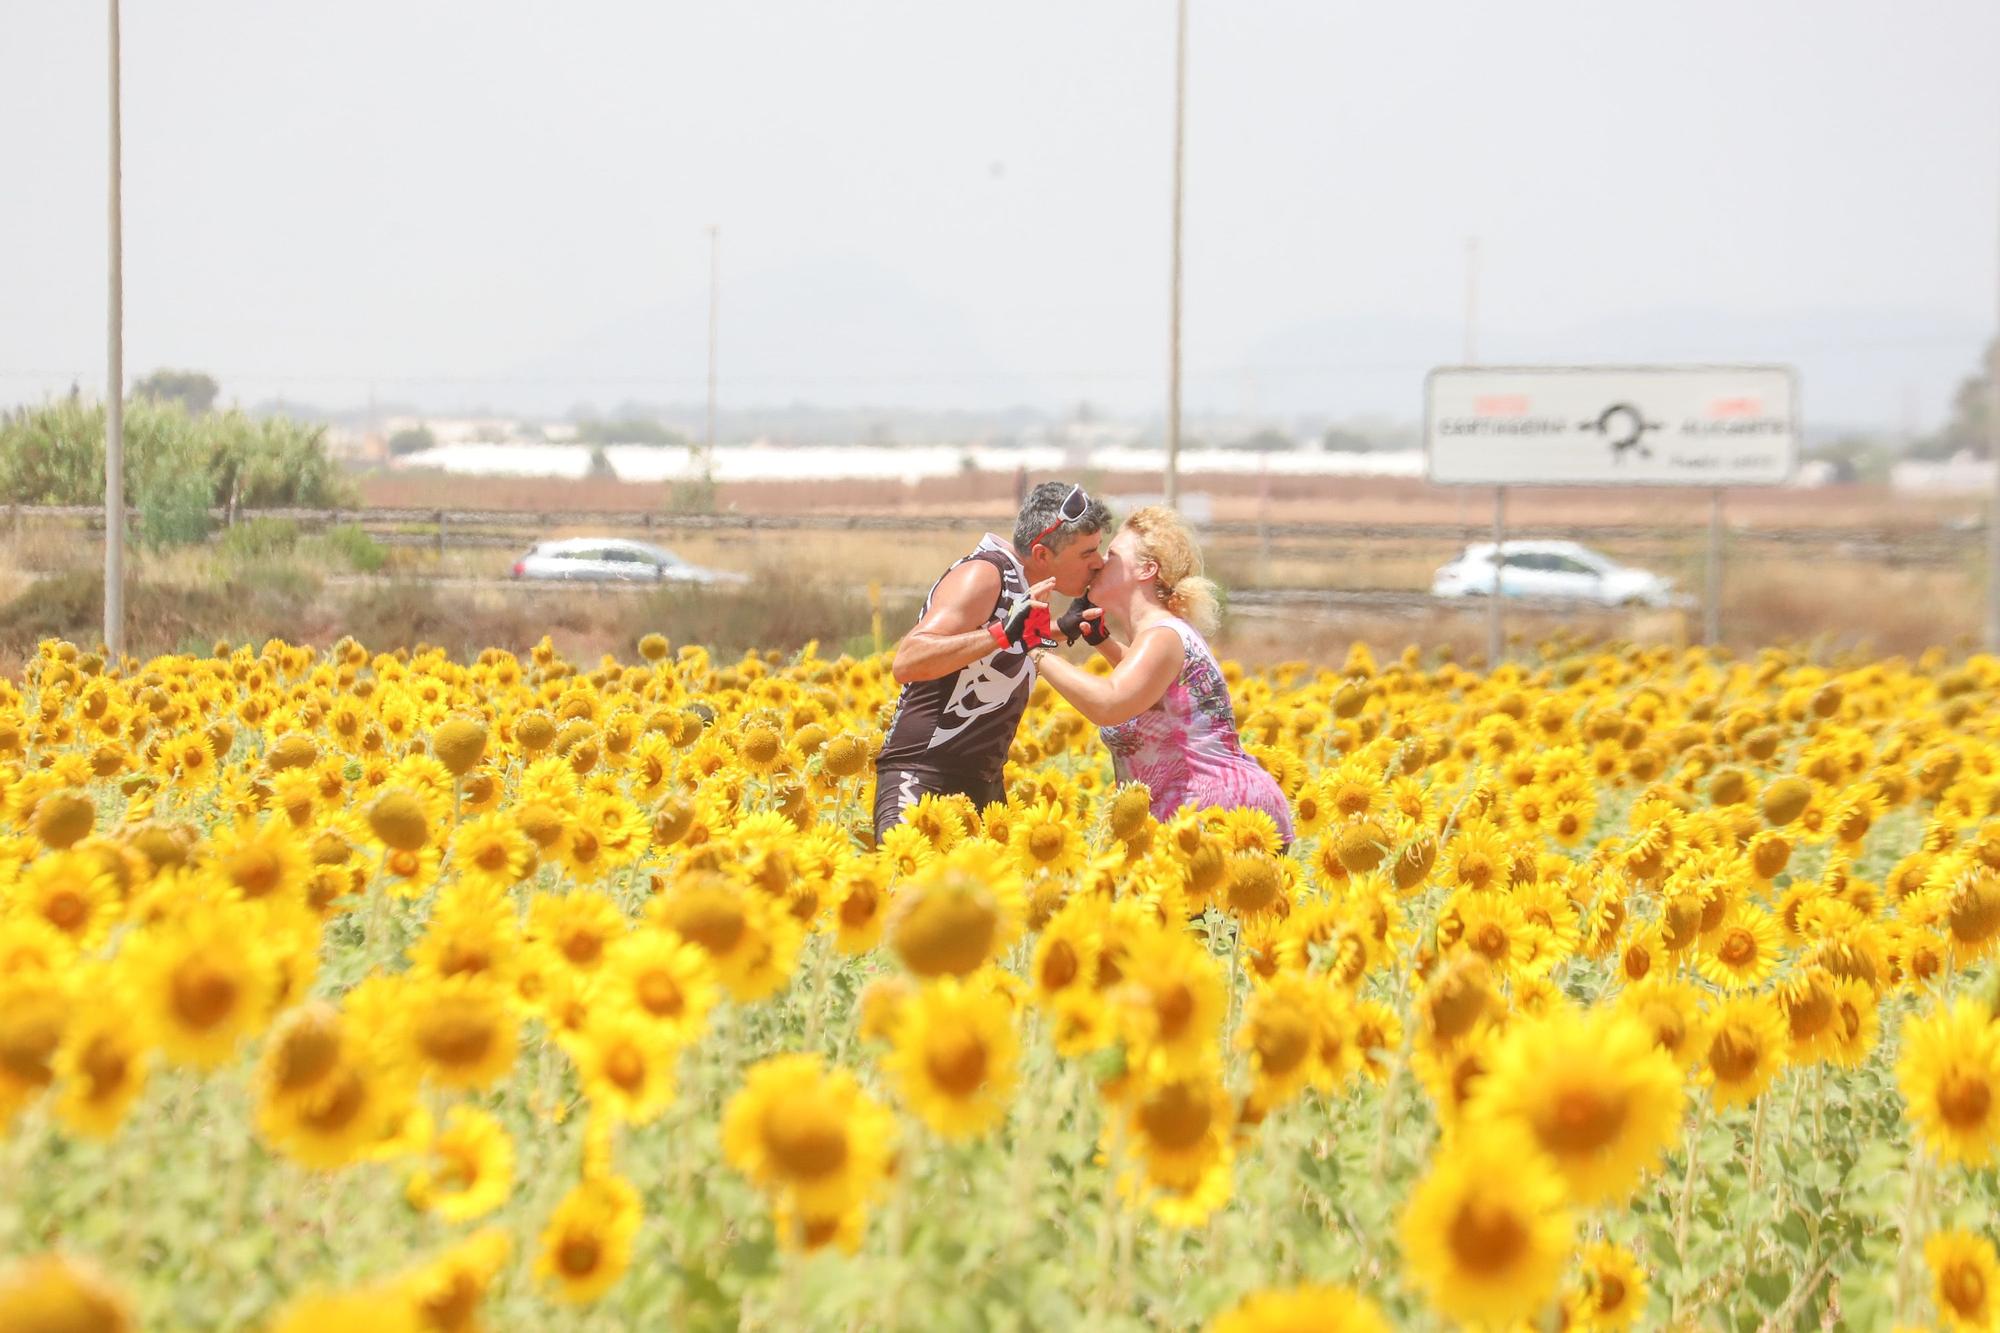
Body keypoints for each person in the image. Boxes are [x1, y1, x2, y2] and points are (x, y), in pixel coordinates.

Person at [1027, 505, 1295, 843]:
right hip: (1216, 819)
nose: (1098, 563)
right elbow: (1156, 696)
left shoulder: (1162, 636)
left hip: (1217, 822)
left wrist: (1034, 651)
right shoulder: (1164, 634)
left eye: (1112, 555)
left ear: (1146, 569)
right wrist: (1101, 641)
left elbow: (1111, 703)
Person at [873, 481, 1110, 839]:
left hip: (984, 786)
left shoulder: (1022, 586)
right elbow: (908, 660)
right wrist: (1001, 633)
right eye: (1087, 553)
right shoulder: (985, 575)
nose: (1099, 562)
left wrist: (1062, 628)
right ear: (1043, 554)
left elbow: (1005, 647)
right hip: (922, 774)